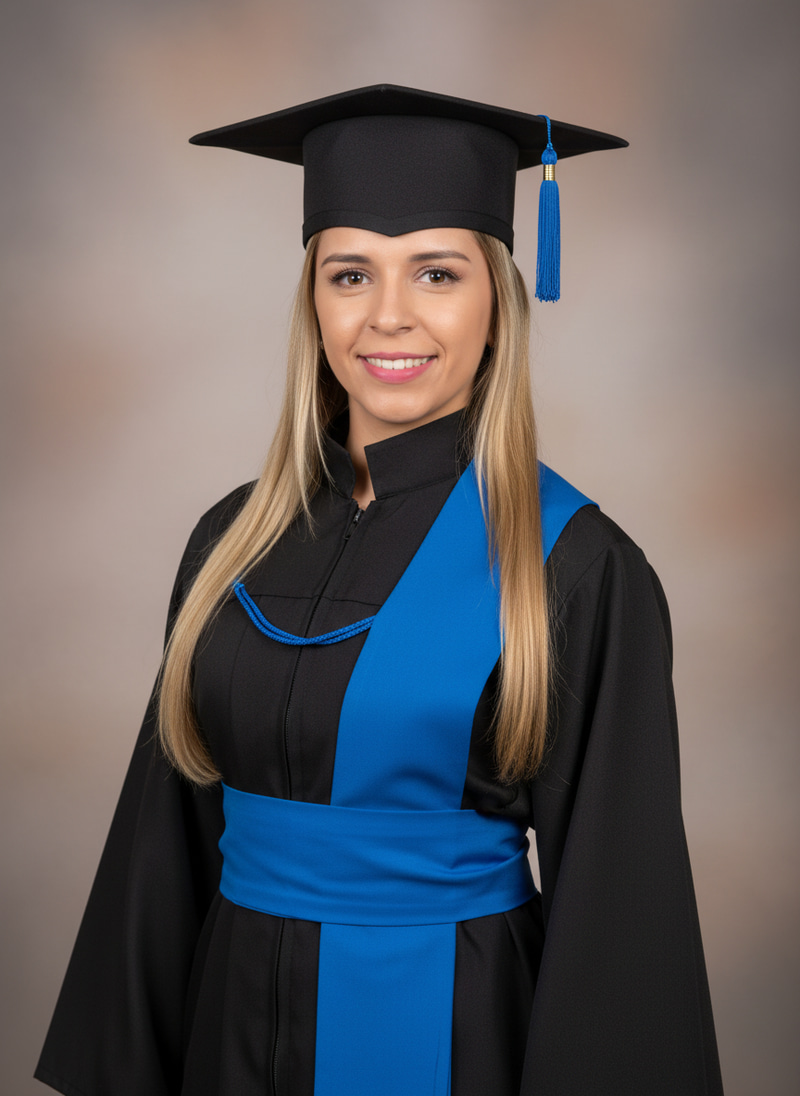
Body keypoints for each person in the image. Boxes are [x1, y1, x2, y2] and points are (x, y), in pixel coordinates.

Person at [35, 85, 724, 1096]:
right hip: (226, 1032)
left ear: (495, 301)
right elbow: (162, 854)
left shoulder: (567, 565)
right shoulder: (231, 542)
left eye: (436, 273)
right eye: (348, 272)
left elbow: (618, 917)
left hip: (444, 1036)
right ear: (312, 299)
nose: (386, 315)